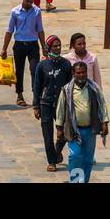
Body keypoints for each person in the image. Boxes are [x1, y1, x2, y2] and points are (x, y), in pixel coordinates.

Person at [55, 60, 109, 184]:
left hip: (90, 129)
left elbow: (102, 105)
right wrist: (59, 128)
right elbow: (61, 109)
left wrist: (105, 122)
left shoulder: (94, 88)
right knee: (75, 157)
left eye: (83, 72)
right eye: (78, 73)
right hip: (74, 130)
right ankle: (75, 181)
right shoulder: (67, 90)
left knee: (88, 159)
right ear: (73, 74)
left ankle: (84, 181)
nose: (81, 75)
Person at [0, 0, 47, 107]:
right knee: (19, 70)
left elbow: (40, 29)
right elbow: (10, 30)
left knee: (34, 69)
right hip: (19, 44)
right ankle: (19, 94)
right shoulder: (15, 12)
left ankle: (36, 95)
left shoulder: (36, 11)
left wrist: (44, 46)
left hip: (33, 44)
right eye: (27, 1)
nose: (29, 4)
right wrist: (4, 48)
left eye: (31, 2)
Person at [33, 35, 73, 171]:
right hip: (45, 103)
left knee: (66, 131)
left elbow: (70, 85)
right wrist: (36, 106)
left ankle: (57, 150)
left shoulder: (66, 64)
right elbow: (37, 86)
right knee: (47, 133)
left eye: (59, 46)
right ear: (48, 48)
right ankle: (51, 161)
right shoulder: (42, 65)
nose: (57, 48)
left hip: (62, 103)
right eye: (55, 46)